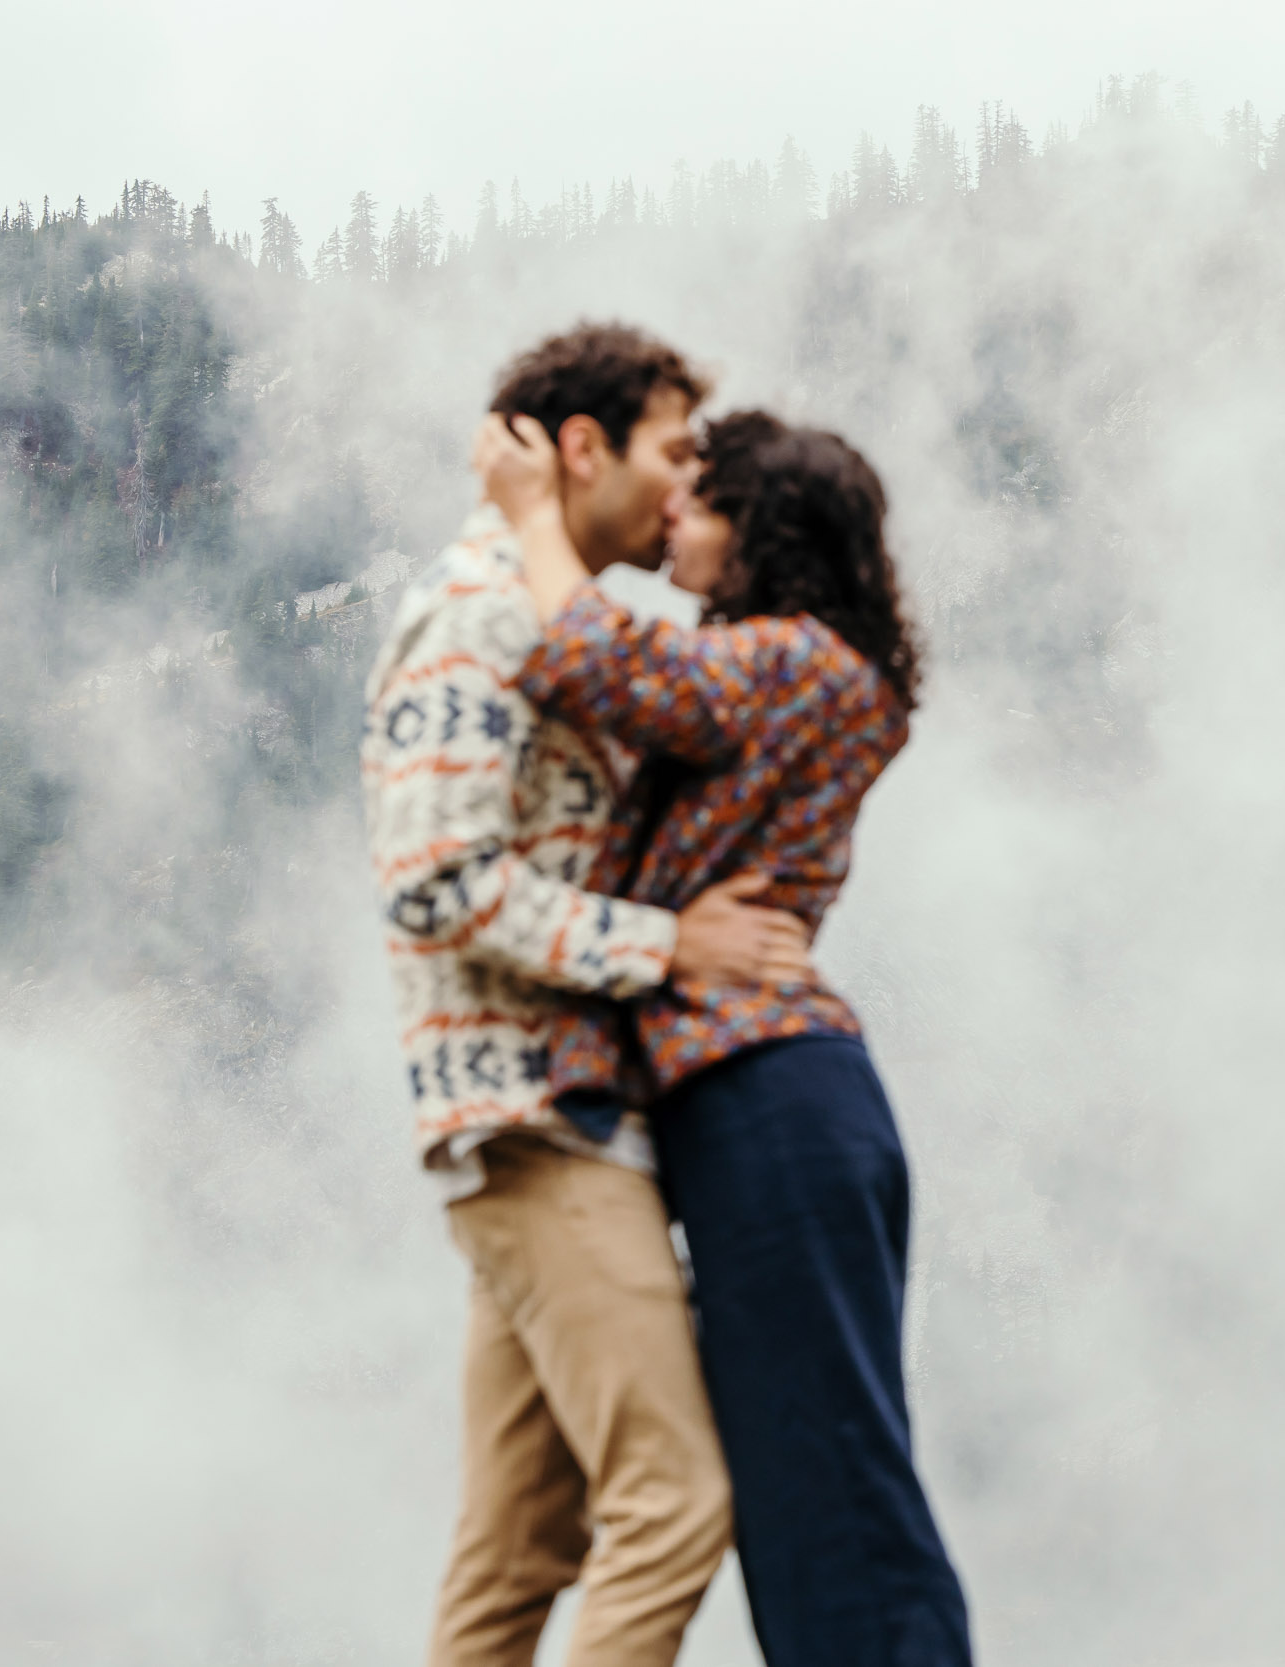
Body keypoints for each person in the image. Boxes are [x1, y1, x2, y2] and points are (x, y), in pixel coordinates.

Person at [477, 407, 974, 1667]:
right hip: (761, 1103)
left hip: (765, 1095)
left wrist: (537, 516)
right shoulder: (814, 671)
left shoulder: (796, 665)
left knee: (829, 1482)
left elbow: (595, 659)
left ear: (759, 530)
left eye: (699, 506)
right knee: (800, 1475)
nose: (672, 528)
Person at [362, 323, 813, 1667]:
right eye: (671, 450)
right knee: (675, 1502)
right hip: (543, 1119)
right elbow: (434, 878)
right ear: (581, 446)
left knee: (515, 1554)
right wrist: (668, 945)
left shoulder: (542, 604)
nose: (685, 488)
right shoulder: (482, 611)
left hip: (543, 1120)